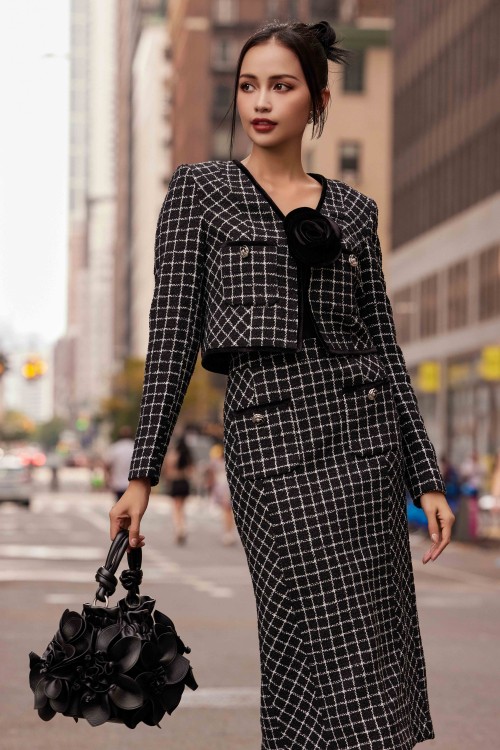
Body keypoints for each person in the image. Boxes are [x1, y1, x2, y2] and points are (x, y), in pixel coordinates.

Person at [109, 20, 456, 748]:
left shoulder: (356, 213)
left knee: (368, 640)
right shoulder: (199, 193)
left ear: (318, 100)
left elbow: (384, 350)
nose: (260, 101)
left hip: (365, 445)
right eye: (248, 85)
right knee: (298, 629)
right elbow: (171, 338)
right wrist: (142, 474)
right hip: (271, 442)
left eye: (281, 85)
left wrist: (424, 475)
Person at [162, 434, 194, 545]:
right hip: (184, 482)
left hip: (175, 482)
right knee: (182, 507)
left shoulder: (173, 455)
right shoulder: (188, 455)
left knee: (176, 508)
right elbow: (191, 471)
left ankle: (178, 529)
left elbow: (167, 470)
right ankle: (183, 527)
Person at [205, 442, 237, 546]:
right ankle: (229, 533)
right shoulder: (229, 461)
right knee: (229, 512)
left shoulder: (215, 463)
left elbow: (211, 476)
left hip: (222, 488)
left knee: (226, 512)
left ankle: (228, 533)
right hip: (228, 487)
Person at [103, 425, 135, 502]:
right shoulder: (135, 447)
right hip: (133, 484)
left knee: (119, 505)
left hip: (118, 483)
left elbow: (107, 465)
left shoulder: (115, 448)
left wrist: (107, 479)